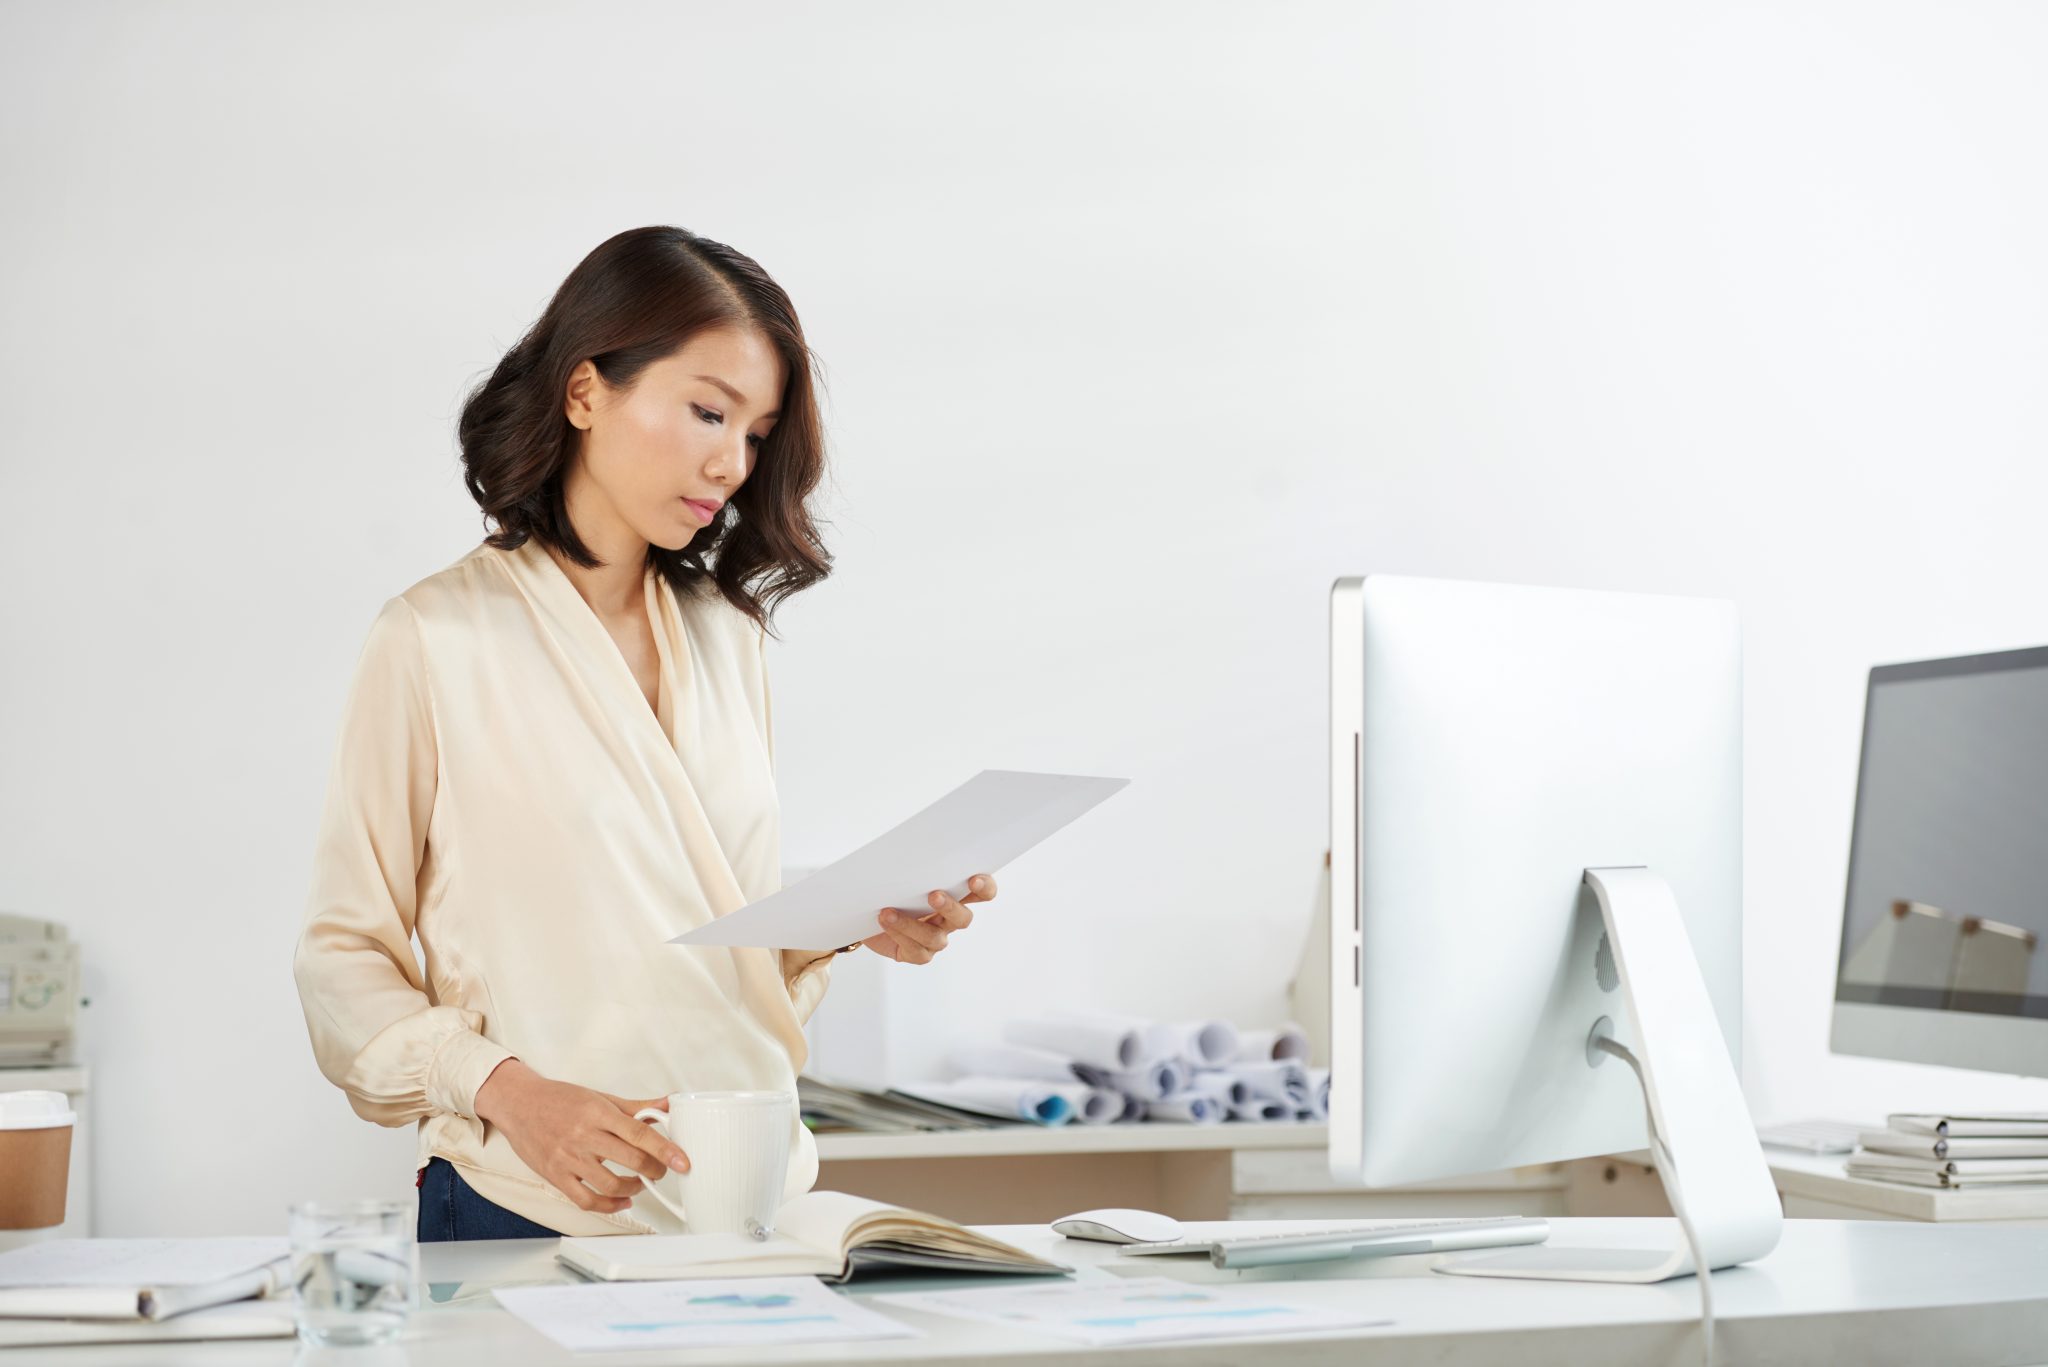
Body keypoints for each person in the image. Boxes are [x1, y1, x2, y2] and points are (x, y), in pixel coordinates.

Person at [292, 225, 995, 1242]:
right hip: (528, 1204)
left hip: (747, 1196)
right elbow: (339, 956)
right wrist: (514, 1094)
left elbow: (694, 917)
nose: (730, 459)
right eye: (708, 410)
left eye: (754, 433)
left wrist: (851, 919)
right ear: (584, 392)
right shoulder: (435, 636)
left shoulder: (726, 636)